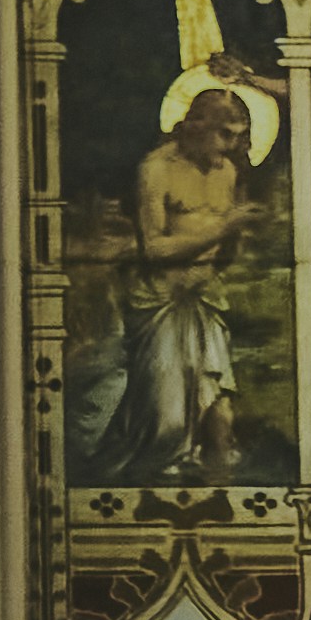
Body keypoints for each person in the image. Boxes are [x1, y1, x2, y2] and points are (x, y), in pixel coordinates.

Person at [87, 75, 268, 478]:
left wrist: (235, 238)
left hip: (204, 298)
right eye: (226, 135)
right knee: (166, 422)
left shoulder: (227, 173)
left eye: (239, 136)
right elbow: (153, 248)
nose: (232, 146)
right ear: (196, 127)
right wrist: (223, 229)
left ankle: (218, 481)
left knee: (218, 407)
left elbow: (222, 247)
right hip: (160, 301)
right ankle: (156, 472)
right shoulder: (156, 169)